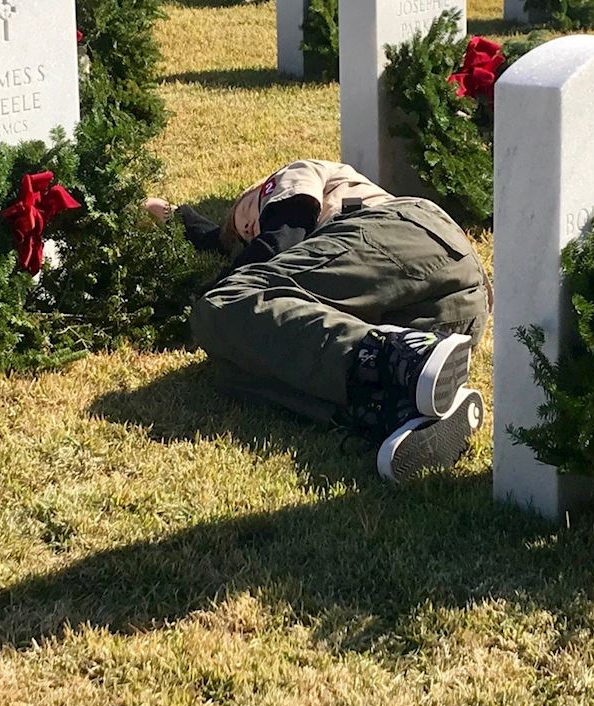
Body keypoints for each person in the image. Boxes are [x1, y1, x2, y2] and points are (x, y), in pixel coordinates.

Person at [146, 161, 490, 483]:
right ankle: (392, 408)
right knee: (234, 363)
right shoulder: (297, 260)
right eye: (244, 236)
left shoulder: (293, 178)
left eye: (248, 212)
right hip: (453, 314)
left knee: (224, 303)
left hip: (403, 236)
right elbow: (221, 242)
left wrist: (202, 300)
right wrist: (176, 216)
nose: (251, 229)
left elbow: (281, 237)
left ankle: (394, 357)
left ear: (261, 190)